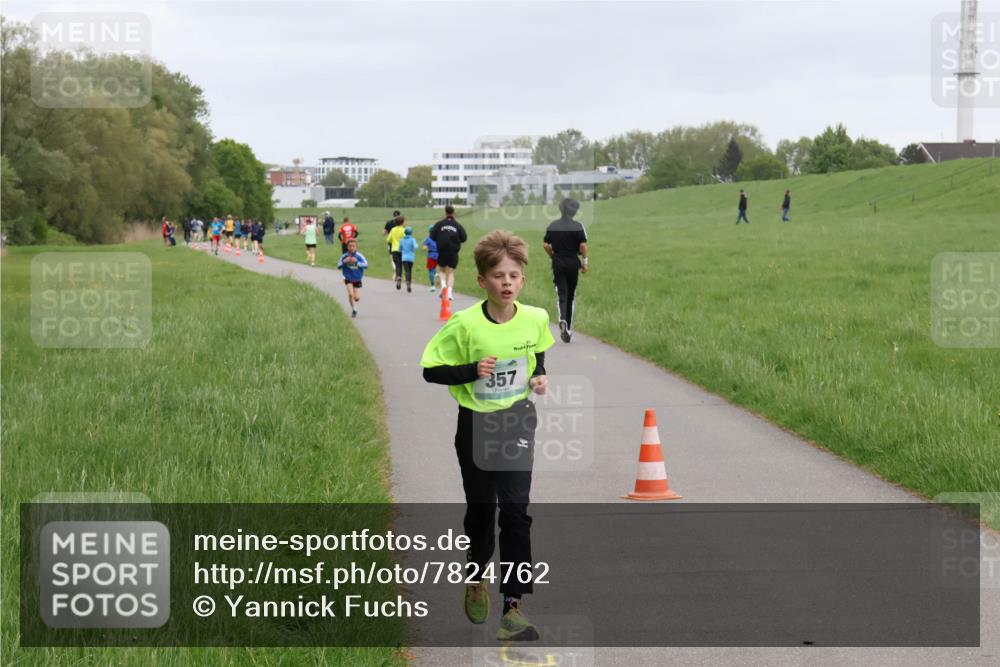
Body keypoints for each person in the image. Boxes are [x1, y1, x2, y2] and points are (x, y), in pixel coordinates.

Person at [420, 230, 553, 642]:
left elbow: (537, 351)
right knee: (483, 512)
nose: (507, 282)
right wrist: (470, 370)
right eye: (498, 275)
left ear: (523, 280)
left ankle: (513, 608)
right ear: (482, 281)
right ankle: (476, 573)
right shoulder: (463, 324)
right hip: (476, 426)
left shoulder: (535, 317)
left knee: (515, 512)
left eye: (514, 275)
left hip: (517, 421)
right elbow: (430, 369)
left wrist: (539, 375)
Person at [543, 198, 589, 343]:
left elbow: (546, 245)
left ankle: (562, 319)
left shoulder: (553, 225)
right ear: (575, 211)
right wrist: (585, 262)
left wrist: (552, 255)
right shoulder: (578, 226)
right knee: (571, 296)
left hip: (558, 263)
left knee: (561, 294)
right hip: (573, 263)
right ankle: (568, 328)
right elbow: (582, 247)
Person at [430, 205, 468, 301]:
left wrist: (439, 238)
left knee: (442, 271)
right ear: (454, 213)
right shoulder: (457, 225)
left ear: (445, 212)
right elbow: (464, 238)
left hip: (442, 250)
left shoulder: (439, 224)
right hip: (453, 251)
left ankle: (443, 286)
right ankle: (450, 293)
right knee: (451, 273)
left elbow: (432, 235)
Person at [337, 238, 368, 318]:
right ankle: (354, 309)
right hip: (348, 278)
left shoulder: (359, 256)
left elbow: (366, 265)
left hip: (357, 278)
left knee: (357, 298)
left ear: (356, 247)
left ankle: (355, 302)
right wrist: (344, 262)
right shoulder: (344, 256)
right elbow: (338, 265)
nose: (352, 248)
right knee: (351, 294)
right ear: (347, 247)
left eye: (353, 246)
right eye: (350, 246)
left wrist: (357, 262)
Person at [387, 216, 407, 289]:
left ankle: (398, 276)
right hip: (402, 250)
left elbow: (388, 240)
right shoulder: (404, 230)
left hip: (394, 250)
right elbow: (406, 238)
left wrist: (393, 241)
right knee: (403, 264)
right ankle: (406, 277)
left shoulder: (393, 230)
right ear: (402, 222)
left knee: (397, 265)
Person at [398, 226, 419, 293]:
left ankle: (407, 282)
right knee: (410, 271)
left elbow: (399, 249)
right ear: (411, 233)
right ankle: (409, 284)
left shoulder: (401, 240)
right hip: (411, 258)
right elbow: (416, 246)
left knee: (406, 271)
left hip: (404, 258)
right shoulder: (413, 239)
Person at [422, 224, 440, 292]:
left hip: (431, 256)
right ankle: (438, 276)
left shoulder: (428, 239)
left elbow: (424, 248)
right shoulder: (439, 238)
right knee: (441, 270)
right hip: (439, 255)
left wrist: (426, 248)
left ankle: (432, 286)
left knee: (431, 270)